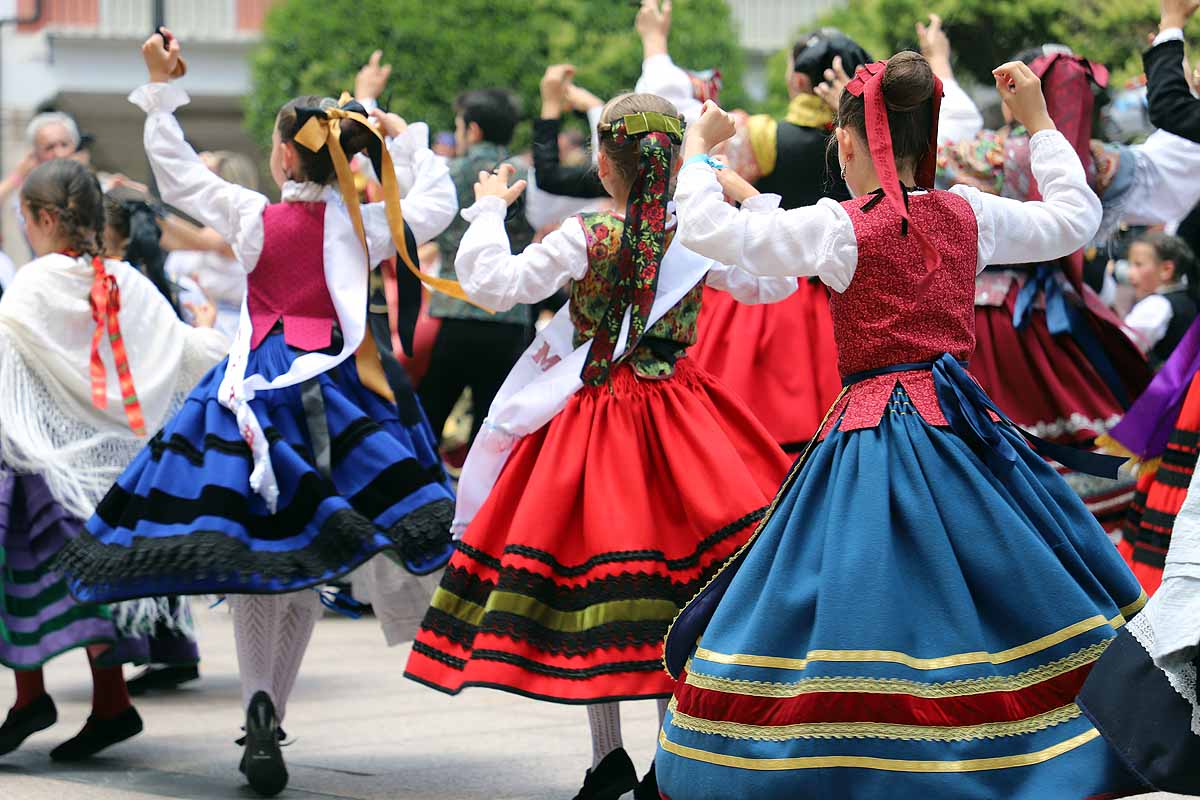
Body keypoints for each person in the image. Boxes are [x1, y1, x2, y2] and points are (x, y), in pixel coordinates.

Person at [655, 53, 1147, 799]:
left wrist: (697, 155)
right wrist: (1042, 125)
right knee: (998, 587)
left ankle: (867, 763)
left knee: (861, 597)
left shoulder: (841, 228)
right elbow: (1073, 220)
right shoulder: (968, 212)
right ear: (927, 141)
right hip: (963, 432)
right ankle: (1027, 750)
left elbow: (709, 231)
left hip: (871, 434)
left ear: (848, 145)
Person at [55, 31, 460, 796]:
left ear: (281, 158)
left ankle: (259, 705)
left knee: (255, 561)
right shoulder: (360, 222)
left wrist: (161, 90)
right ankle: (270, 708)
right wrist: (406, 144)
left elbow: (173, 170)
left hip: (253, 389)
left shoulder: (251, 215)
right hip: (339, 395)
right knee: (304, 559)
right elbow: (434, 209)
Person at [403, 91, 796, 800]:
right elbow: (774, 281)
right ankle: (661, 764)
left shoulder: (584, 235)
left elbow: (493, 283)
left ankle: (607, 756)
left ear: (606, 170)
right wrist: (742, 193)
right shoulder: (697, 233)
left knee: (598, 586)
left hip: (594, 424)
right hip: (685, 418)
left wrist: (490, 207)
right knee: (675, 588)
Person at [0, 158, 226, 761]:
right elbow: (180, 350)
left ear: (45, 218)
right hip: (119, 470)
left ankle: (37, 698)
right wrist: (212, 335)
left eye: (25, 217)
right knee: (92, 586)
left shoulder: (33, 283)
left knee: (27, 580)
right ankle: (104, 704)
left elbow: (11, 369)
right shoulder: (127, 281)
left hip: (50, 467)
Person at [936, 41, 1200, 539]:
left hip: (994, 311)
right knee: (1074, 416)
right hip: (1044, 308)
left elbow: (933, 147)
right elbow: (1158, 172)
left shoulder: (987, 151)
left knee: (992, 427)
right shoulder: (1092, 160)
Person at [418, 88, 535, 452]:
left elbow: (422, 222)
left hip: (455, 312)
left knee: (427, 421)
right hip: (510, 316)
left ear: (474, 129)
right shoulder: (529, 176)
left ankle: (422, 499)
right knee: (492, 431)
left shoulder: (452, 173)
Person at [1123, 231, 1198, 365]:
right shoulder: (1187, 300)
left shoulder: (1156, 305)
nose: (1130, 273)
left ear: (1166, 270)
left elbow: (1122, 346)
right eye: (1130, 265)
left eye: (1138, 264)